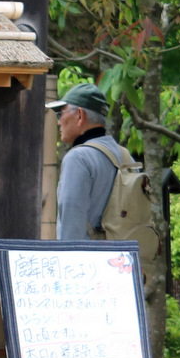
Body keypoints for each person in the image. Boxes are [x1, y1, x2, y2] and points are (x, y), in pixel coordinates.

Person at [48, 83, 131, 241]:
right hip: (124, 260)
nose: (58, 122)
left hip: (89, 261)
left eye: (60, 114)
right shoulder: (125, 156)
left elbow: (70, 225)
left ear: (79, 115)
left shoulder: (78, 158)